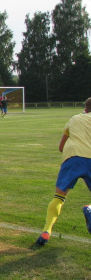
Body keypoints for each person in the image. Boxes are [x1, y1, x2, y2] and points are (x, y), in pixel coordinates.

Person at [36, 97, 91, 245]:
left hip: (72, 159)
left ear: (85, 109)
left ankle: (46, 231)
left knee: (59, 197)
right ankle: (89, 209)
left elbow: (61, 147)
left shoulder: (74, 118)